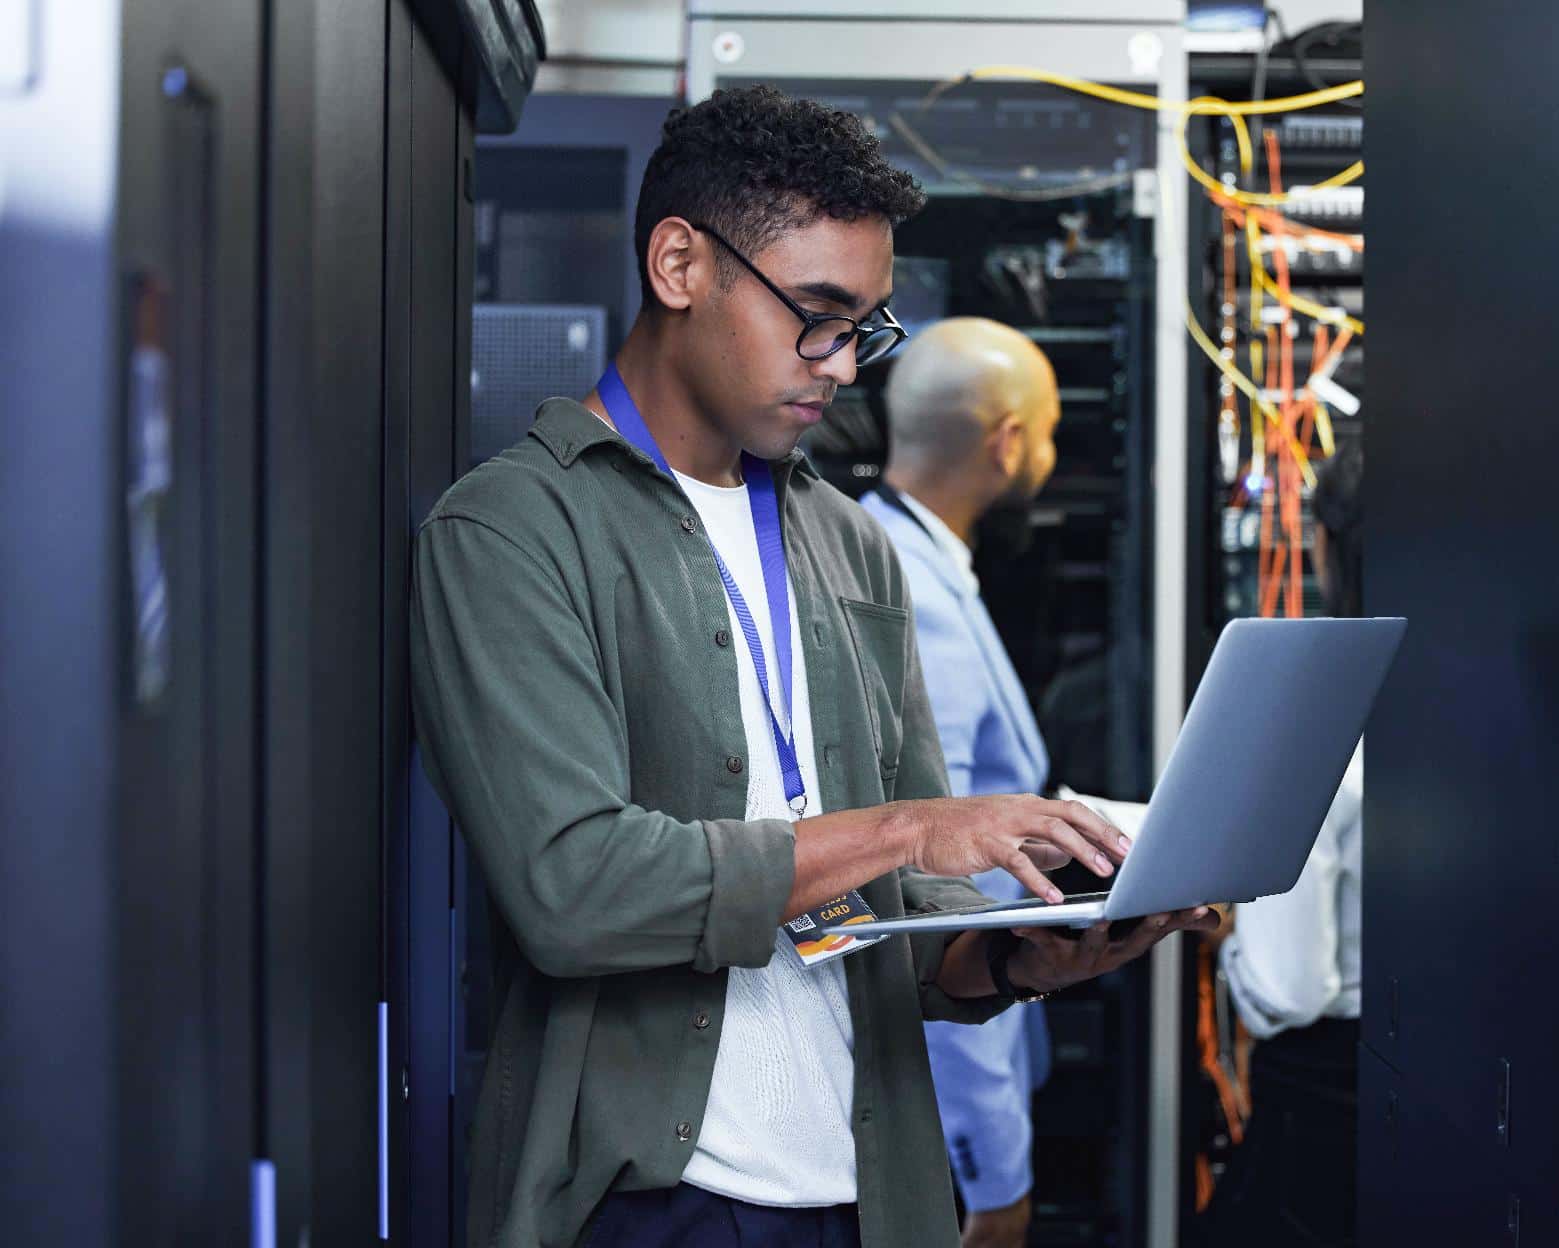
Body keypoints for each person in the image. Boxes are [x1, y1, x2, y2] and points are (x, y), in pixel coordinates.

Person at [409, 85, 1225, 1248]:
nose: (842, 365)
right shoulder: (512, 533)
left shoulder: (847, 543)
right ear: (681, 264)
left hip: (869, 1200)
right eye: (818, 315)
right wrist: (905, 831)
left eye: (866, 326)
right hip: (646, 1211)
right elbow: (572, 892)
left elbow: (898, 931)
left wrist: (1019, 954)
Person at [860, 318, 1064, 1248]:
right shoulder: (910, 591)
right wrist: (994, 1167)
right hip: (940, 1107)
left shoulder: (902, 560)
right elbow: (944, 892)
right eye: (1051, 431)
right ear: (1008, 441)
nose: (1052, 454)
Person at [1203, 438, 1365, 1246]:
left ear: (1328, 544)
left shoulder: (1307, 722)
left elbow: (1289, 989)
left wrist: (1232, 932)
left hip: (1330, 1125)